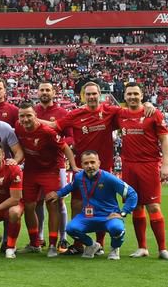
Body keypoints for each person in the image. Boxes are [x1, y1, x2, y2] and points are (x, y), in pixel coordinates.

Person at [118, 83, 168, 260]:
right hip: (128, 166)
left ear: (142, 95)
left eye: (136, 93)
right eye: (129, 94)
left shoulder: (153, 113)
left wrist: (165, 165)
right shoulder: (119, 114)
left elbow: (164, 140)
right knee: (135, 206)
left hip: (149, 165)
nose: (133, 97)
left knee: (153, 206)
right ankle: (142, 247)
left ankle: (163, 249)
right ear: (125, 97)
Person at [46, 150, 138, 260]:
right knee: (70, 228)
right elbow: (70, 187)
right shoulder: (79, 177)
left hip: (108, 217)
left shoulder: (109, 178)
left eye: (92, 162)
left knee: (117, 228)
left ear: (99, 163)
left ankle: (114, 248)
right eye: (86, 163)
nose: (90, 166)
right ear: (81, 165)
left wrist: (123, 212)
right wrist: (58, 194)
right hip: (88, 217)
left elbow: (132, 194)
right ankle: (92, 245)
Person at [15, 102, 77, 257]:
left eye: (29, 115)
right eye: (22, 116)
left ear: (35, 116)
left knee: (52, 203)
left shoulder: (47, 132)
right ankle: (35, 243)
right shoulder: (18, 127)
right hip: (30, 171)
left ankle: (52, 245)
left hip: (50, 171)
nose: (25, 119)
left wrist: (74, 166)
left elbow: (66, 147)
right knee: (29, 206)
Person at [32, 81, 72, 251]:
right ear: (37, 92)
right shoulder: (32, 111)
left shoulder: (62, 112)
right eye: (42, 90)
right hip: (35, 165)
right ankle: (39, 237)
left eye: (48, 90)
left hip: (57, 165)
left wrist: (58, 144)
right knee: (38, 202)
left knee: (58, 201)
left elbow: (71, 138)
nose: (45, 92)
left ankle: (63, 238)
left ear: (54, 92)